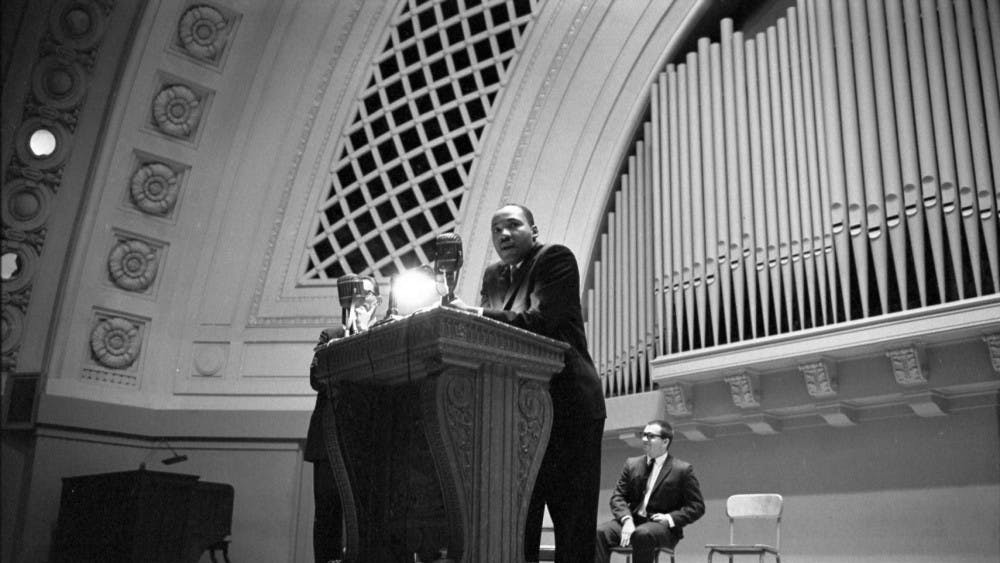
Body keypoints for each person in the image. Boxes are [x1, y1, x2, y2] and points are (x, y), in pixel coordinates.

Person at [445, 203, 607, 563]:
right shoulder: (492, 277)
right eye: (496, 229)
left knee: (572, 525)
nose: (503, 234)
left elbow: (542, 323)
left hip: (569, 407)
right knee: (518, 525)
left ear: (533, 231)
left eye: (513, 225)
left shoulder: (555, 259)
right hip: (514, 414)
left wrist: (473, 314)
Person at [305, 276, 381, 563]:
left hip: (369, 440)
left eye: (366, 295)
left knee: (369, 513)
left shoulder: (387, 332)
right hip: (328, 441)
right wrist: (348, 336)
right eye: (352, 296)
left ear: (378, 300)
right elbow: (316, 378)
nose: (360, 301)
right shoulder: (330, 335)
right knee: (327, 513)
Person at [595, 419, 705, 563]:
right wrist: (626, 520)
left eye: (651, 436)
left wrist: (669, 518)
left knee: (642, 534)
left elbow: (697, 506)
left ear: (665, 442)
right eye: (644, 434)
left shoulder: (682, 470)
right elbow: (618, 497)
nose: (645, 439)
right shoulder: (631, 464)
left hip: (663, 529)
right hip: (632, 521)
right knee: (599, 532)